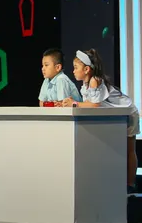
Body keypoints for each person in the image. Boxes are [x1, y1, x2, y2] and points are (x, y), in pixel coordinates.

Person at [59, 49, 140, 190]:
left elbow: (94, 105)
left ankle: (130, 184)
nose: (73, 71)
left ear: (86, 69)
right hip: (117, 117)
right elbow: (89, 104)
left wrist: (74, 103)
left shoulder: (94, 81)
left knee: (129, 149)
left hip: (128, 113)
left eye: (76, 67)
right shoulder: (86, 85)